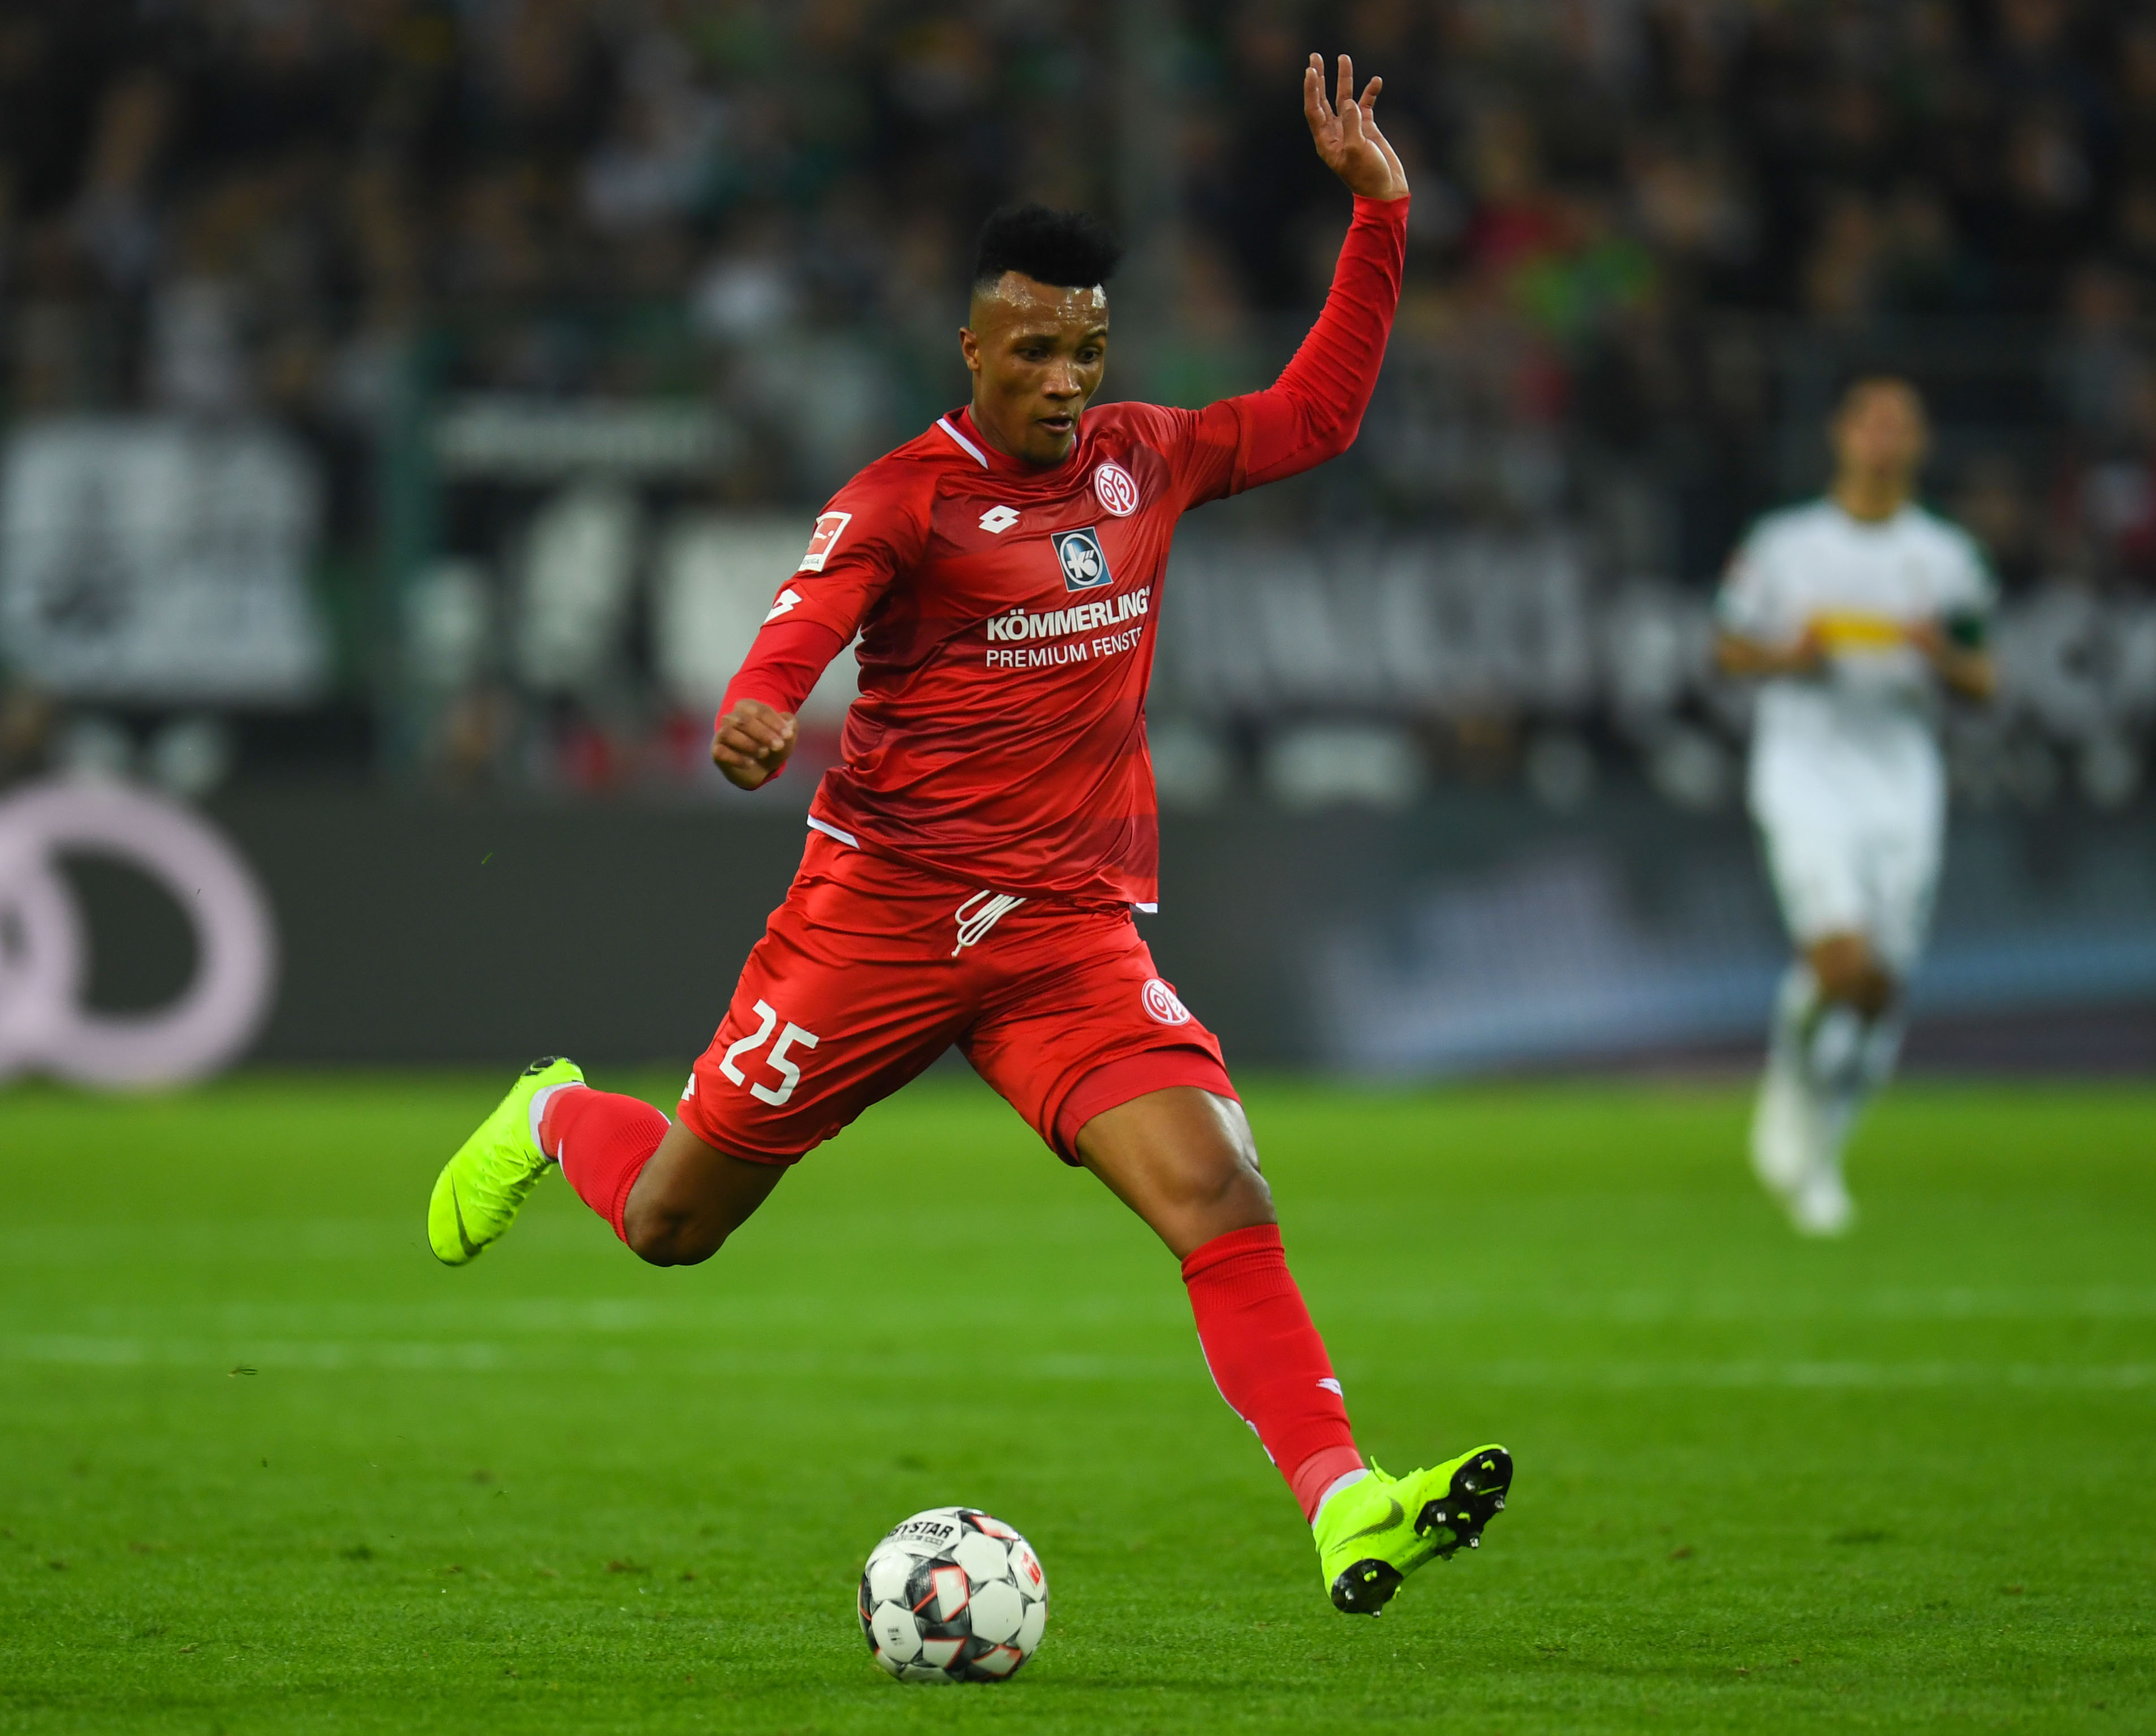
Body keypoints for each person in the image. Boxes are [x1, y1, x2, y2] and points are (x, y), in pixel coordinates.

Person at [425, 56, 1509, 1617]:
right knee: (670, 1224)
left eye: (1087, 350)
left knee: (1217, 1192)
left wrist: (1380, 214)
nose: (1066, 380)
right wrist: (757, 706)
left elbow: (1316, 416)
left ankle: (1346, 1502)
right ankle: (549, 1112)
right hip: (875, 922)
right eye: (1036, 351)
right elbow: (803, 619)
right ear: (974, 349)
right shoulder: (905, 498)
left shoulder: (1145, 457)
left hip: (1065, 934)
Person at [1716, 377, 1995, 1235]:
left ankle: (1820, 1138)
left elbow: (1985, 679)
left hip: (1902, 781)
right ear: (1841, 435)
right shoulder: (1785, 544)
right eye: (1870, 422)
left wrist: (1941, 656)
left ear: (1920, 442)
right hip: (1805, 771)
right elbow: (1729, 648)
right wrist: (1785, 657)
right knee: (1841, 963)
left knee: (1879, 990)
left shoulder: (1947, 557)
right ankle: (1805, 1128)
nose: (1882, 438)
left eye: (1898, 425)